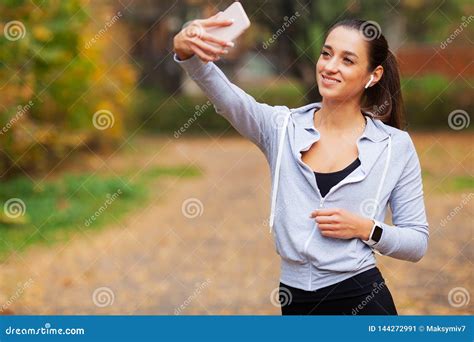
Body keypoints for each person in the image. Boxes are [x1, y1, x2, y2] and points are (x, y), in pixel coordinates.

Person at [172, 16, 429, 315]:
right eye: (326, 53)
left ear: (373, 75)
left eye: (347, 60)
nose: (330, 66)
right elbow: (229, 100)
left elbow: (417, 241)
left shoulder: (395, 146)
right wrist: (187, 52)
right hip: (294, 300)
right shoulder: (281, 127)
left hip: (362, 296)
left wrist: (366, 228)